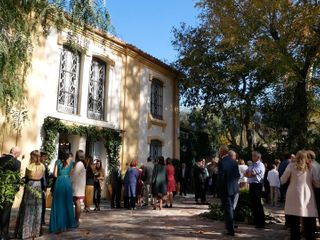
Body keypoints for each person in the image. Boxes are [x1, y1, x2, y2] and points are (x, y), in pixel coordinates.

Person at [281, 150, 320, 240]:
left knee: (294, 223)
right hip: (307, 194)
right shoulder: (311, 166)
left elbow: (282, 180)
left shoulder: (291, 165)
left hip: (293, 194)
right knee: (309, 220)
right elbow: (317, 183)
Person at [16, 150, 45, 239]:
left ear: (32, 156)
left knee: (27, 209)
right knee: (37, 209)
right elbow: (42, 177)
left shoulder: (29, 166)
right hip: (38, 186)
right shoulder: (43, 166)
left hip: (31, 186)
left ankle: (25, 232)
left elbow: (26, 177)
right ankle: (35, 232)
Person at [49, 151, 77, 233]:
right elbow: (72, 174)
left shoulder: (57, 162)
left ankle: (57, 225)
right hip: (67, 182)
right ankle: (68, 224)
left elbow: (54, 174)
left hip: (59, 182)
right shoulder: (71, 163)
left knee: (58, 203)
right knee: (67, 203)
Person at [218, 146, 240, 236]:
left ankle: (230, 229)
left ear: (222, 152)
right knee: (231, 208)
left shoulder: (222, 162)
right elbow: (238, 175)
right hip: (234, 188)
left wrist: (219, 189)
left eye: (219, 151)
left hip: (225, 189)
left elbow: (221, 178)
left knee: (228, 209)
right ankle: (231, 227)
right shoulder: (234, 161)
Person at [0, 146, 21, 240]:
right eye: (19, 154)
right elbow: (16, 178)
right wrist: (16, 189)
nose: (19, 156)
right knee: (6, 212)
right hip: (9, 191)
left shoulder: (1, 160)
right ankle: (3, 235)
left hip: (0, 188)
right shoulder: (17, 162)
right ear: (16, 153)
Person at [245, 151, 266, 229]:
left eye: (254, 156)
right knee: (253, 204)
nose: (252, 157)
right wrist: (250, 174)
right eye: (252, 155)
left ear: (258, 157)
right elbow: (246, 173)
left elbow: (253, 174)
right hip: (252, 185)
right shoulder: (251, 164)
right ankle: (256, 221)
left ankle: (261, 223)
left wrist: (250, 174)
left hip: (257, 185)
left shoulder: (260, 165)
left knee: (258, 204)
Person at [71, 150, 86, 225]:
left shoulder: (79, 164)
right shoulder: (82, 164)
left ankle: (76, 220)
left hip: (77, 187)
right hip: (80, 186)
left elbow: (74, 175)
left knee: (77, 203)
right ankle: (76, 220)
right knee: (78, 203)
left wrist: (69, 180)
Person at [40, 151, 49, 225]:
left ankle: (42, 219)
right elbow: (46, 177)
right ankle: (42, 219)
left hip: (42, 186)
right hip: (42, 186)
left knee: (43, 203)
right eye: (44, 157)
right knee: (43, 203)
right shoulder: (43, 166)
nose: (45, 158)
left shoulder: (44, 165)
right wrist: (45, 187)